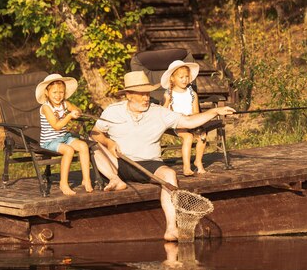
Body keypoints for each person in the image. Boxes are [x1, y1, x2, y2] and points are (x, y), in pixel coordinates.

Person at [90, 71, 235, 241]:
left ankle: (171, 229)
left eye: (148, 94)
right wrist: (109, 143)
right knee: (92, 146)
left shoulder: (159, 112)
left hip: (149, 164)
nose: (146, 98)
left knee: (170, 175)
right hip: (118, 162)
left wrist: (215, 111)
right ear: (129, 95)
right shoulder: (112, 111)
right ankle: (115, 180)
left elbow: (188, 122)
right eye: (141, 94)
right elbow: (95, 133)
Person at [36, 73, 93, 195]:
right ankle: (63, 183)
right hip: (49, 141)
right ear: (47, 92)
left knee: (83, 146)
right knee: (69, 150)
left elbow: (77, 109)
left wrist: (76, 112)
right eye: (54, 92)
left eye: (61, 92)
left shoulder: (65, 103)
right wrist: (68, 116)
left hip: (64, 137)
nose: (58, 95)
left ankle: (86, 179)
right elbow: (56, 126)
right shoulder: (46, 108)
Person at [161, 59, 207, 176]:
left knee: (203, 136)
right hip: (176, 122)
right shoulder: (169, 94)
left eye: (187, 77)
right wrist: (167, 102)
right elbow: (163, 112)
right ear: (172, 78)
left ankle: (198, 161)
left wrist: (191, 117)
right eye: (181, 77)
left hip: (190, 121)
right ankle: (186, 167)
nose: (185, 79)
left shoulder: (192, 94)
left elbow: (196, 111)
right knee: (188, 137)